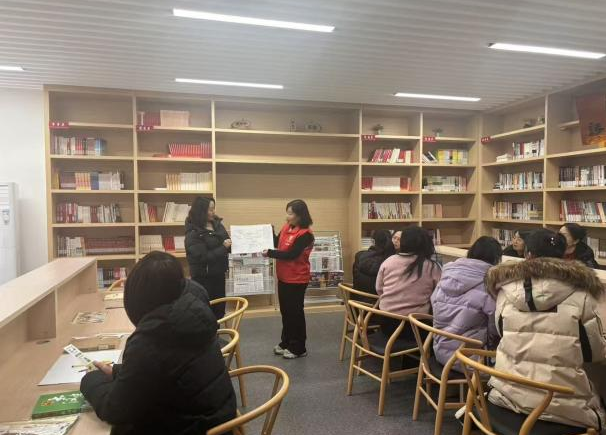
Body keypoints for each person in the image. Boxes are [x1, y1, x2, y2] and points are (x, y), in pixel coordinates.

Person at [80, 252, 237, 435]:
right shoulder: (191, 312)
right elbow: (167, 369)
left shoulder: (154, 337)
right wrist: (117, 371)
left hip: (191, 427)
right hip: (219, 420)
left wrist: (90, 379)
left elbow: (115, 410)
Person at [486, 229, 606, 430]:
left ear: (527, 254)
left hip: (506, 395)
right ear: (563, 257)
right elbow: (593, 353)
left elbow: (500, 332)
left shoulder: (505, 291)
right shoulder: (582, 294)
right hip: (563, 410)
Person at [431, 236, 502, 369]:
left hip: (440, 351)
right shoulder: (488, 285)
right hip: (470, 359)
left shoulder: (446, 275)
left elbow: (433, 303)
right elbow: (495, 328)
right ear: (496, 259)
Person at [265, 199, 315, 359]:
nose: (287, 217)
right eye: (287, 213)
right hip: (284, 277)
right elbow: (277, 242)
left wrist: (270, 253)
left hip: (297, 279)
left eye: (290, 213)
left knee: (295, 313)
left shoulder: (306, 234)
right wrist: (268, 232)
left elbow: (291, 255)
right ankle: (286, 341)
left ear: (300, 215)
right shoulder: (287, 227)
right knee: (286, 312)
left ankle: (299, 347)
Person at [376, 226, 441, 339]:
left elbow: (379, 289)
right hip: (415, 326)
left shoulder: (389, 261)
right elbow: (438, 296)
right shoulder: (432, 267)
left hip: (386, 323)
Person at [185, 196, 231, 320]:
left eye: (213, 208)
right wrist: (223, 247)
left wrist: (232, 244)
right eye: (210, 209)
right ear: (201, 211)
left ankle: (217, 331)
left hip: (219, 274)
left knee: (219, 310)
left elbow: (226, 243)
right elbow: (202, 257)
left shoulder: (216, 224)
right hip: (203, 278)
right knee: (206, 311)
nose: (213, 212)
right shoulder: (193, 232)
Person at [352, 229, 395, 300]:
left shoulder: (359, 256)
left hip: (357, 301)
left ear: (373, 241)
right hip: (378, 303)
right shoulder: (390, 261)